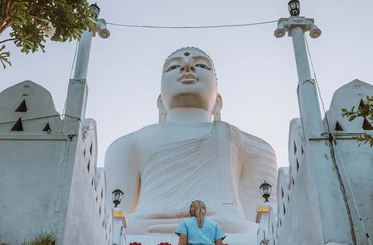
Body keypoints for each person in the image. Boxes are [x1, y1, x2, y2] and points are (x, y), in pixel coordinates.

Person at [104, 47, 277, 234]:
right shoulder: (128, 144)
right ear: (161, 101)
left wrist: (238, 225)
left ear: (217, 101)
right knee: (123, 229)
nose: (187, 68)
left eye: (201, 65)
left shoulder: (247, 144)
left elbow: (265, 220)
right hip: (145, 227)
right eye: (174, 67)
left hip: (226, 227)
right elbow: (114, 218)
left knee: (249, 230)